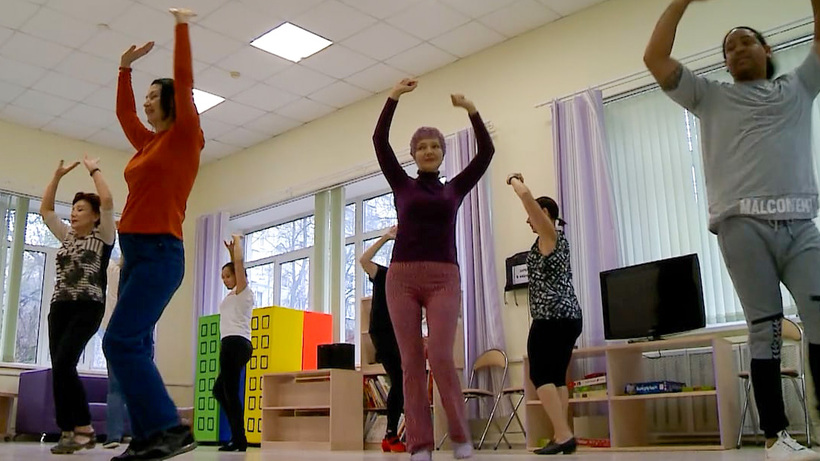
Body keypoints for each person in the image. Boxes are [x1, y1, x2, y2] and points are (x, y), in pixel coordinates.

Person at [644, 1, 820, 459]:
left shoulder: (799, 85)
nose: (738, 49)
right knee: (765, 329)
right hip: (742, 226)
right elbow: (655, 58)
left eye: (746, 41)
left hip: (801, 225)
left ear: (767, 49)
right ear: (724, 63)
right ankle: (776, 438)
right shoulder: (709, 96)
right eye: (729, 47)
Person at [373, 78, 496, 461]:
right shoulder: (402, 185)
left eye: (435, 146)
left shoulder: (453, 188)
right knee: (411, 363)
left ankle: (460, 437)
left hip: (444, 277)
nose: (429, 151)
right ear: (413, 154)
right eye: (422, 146)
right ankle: (420, 445)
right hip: (402, 278)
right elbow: (379, 141)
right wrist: (393, 97)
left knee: (441, 356)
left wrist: (471, 110)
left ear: (443, 153)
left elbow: (486, 152)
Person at [103, 7, 204, 461]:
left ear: (171, 102)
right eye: (144, 96)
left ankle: (168, 428)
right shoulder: (148, 143)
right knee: (135, 345)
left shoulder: (184, 137)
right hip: (136, 255)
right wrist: (124, 68)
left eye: (153, 96)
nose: (146, 103)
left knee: (119, 341)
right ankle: (147, 437)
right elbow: (124, 114)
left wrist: (181, 26)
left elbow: (184, 81)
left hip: (162, 253)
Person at [40, 155, 116, 454]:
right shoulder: (67, 236)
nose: (73, 213)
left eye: (81, 209)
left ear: (95, 216)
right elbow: (46, 210)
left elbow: (108, 201)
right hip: (60, 307)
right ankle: (68, 431)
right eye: (73, 209)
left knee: (64, 362)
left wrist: (94, 169)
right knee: (60, 368)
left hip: (88, 306)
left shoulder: (103, 236)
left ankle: (84, 427)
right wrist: (57, 176)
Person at [506, 174, 582, 455]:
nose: (528, 221)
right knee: (556, 377)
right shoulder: (554, 240)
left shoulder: (550, 235)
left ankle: (563, 434)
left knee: (539, 375)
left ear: (545, 213)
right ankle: (561, 434)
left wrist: (514, 180)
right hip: (569, 317)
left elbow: (527, 198)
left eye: (533, 216)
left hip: (551, 318)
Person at [359, 225, 406, 453]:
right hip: (382, 332)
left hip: (399, 333)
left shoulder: (407, 283)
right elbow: (363, 260)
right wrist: (385, 238)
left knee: (402, 381)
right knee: (398, 379)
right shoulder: (383, 274)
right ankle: (391, 435)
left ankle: (391, 435)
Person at [213, 234, 254, 452]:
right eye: (223, 277)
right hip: (231, 344)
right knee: (220, 391)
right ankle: (238, 437)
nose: (225, 280)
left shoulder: (244, 292)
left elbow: (239, 266)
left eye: (227, 276)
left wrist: (237, 246)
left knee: (228, 391)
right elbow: (235, 267)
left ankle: (239, 439)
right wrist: (230, 253)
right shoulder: (233, 295)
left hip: (236, 343)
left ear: (238, 276)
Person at [101, 251, 129, 450]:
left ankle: (114, 435)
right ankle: (140, 433)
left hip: (114, 331)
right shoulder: (135, 275)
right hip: (127, 332)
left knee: (116, 386)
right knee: (126, 385)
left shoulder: (112, 270)